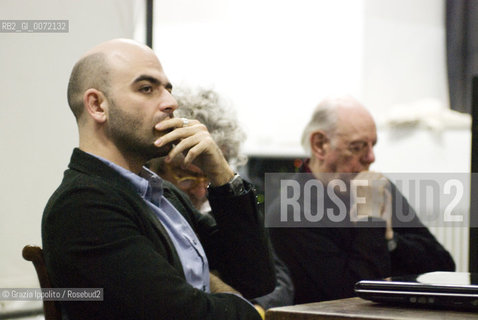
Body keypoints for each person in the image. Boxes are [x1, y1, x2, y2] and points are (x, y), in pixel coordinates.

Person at [41, 39, 275, 320]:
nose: (171, 102)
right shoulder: (83, 205)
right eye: (146, 89)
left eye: (168, 89)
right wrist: (256, 314)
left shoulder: (161, 193)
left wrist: (222, 175)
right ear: (97, 105)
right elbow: (180, 315)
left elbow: (255, 278)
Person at [268, 95, 456, 304]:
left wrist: (392, 241)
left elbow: (444, 266)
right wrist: (371, 220)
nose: (371, 157)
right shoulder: (292, 211)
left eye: (373, 145)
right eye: (357, 147)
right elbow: (354, 298)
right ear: (320, 145)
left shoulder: (376, 187)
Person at [147, 87, 295, 312]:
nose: (200, 192)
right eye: (187, 176)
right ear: (155, 168)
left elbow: (279, 281)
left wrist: (251, 310)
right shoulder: (143, 213)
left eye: (210, 174)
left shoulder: (224, 211)